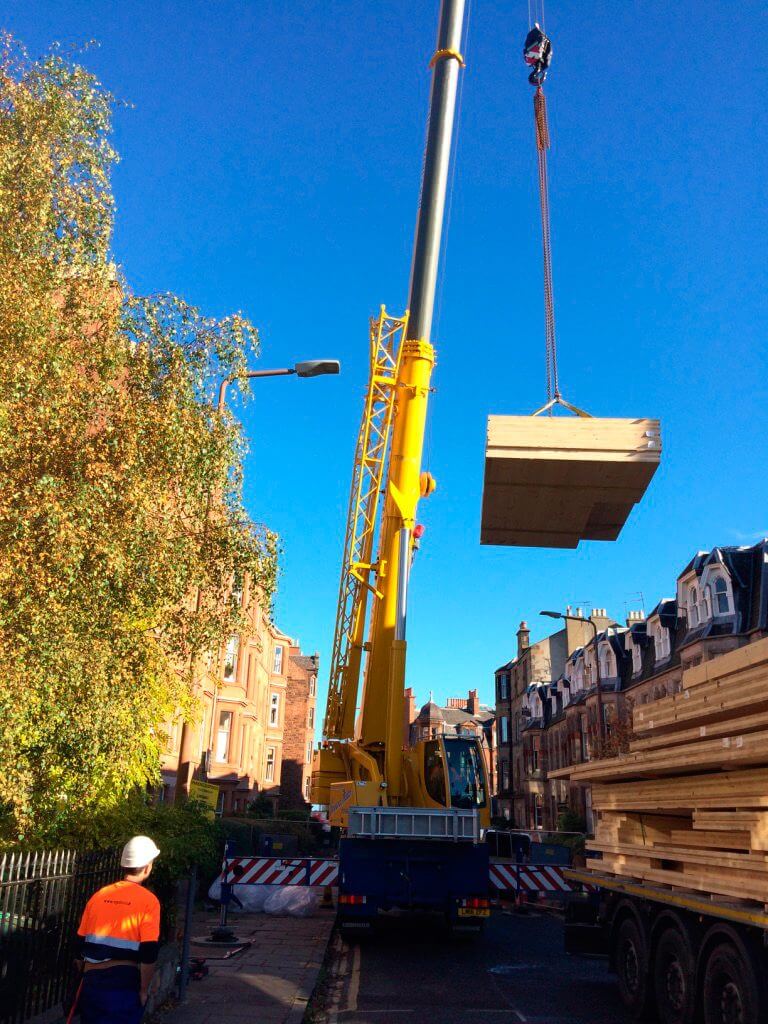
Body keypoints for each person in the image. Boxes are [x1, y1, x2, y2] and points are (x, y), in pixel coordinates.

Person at [74, 835, 161, 1024]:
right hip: (124, 982)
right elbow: (149, 953)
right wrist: (144, 990)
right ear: (147, 867)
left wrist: (86, 975)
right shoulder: (149, 901)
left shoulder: (99, 896)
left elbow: (79, 946)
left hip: (92, 981)